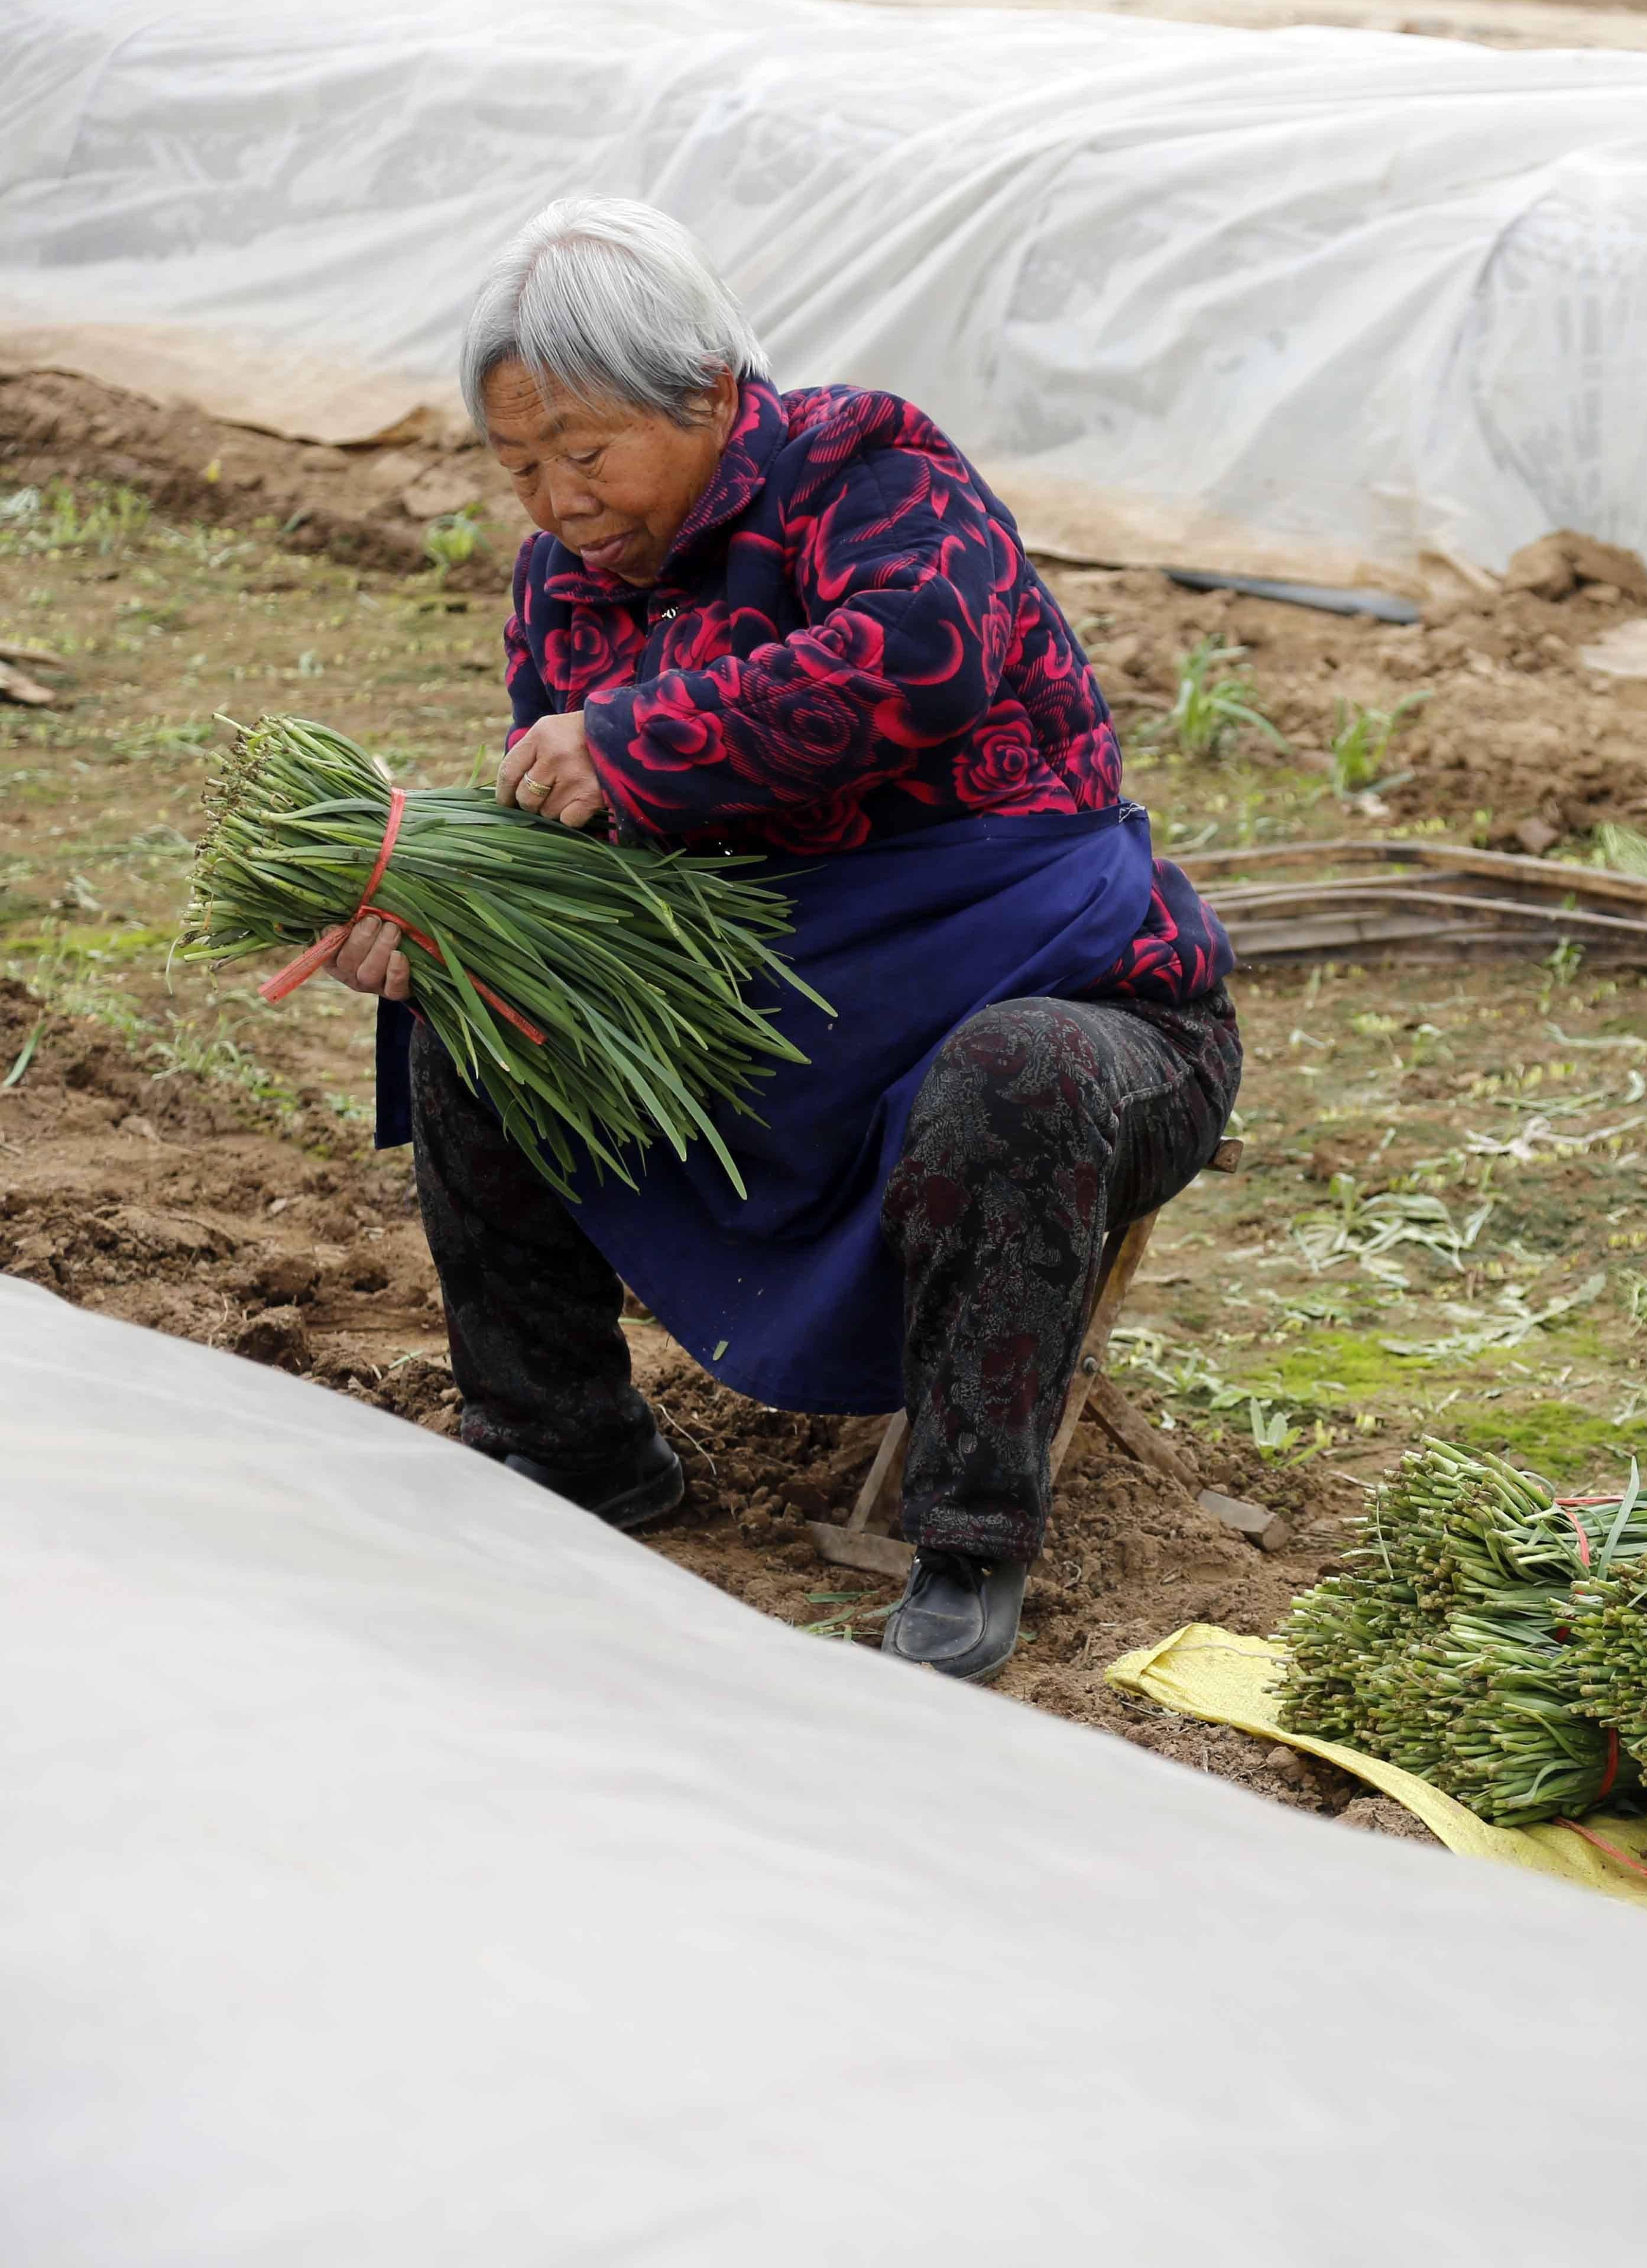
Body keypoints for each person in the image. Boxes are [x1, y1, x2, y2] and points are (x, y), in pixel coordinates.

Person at [315, 196, 1238, 1683]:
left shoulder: (866, 471)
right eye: (520, 465)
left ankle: (968, 1540)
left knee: (1018, 1075)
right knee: (474, 1018)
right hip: (783, 1015)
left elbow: (916, 663)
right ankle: (573, 1443)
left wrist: (633, 744)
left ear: (704, 389)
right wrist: (443, 922)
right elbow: (583, 861)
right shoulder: (566, 586)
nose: (556, 499)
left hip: (1072, 989)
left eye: (587, 450)